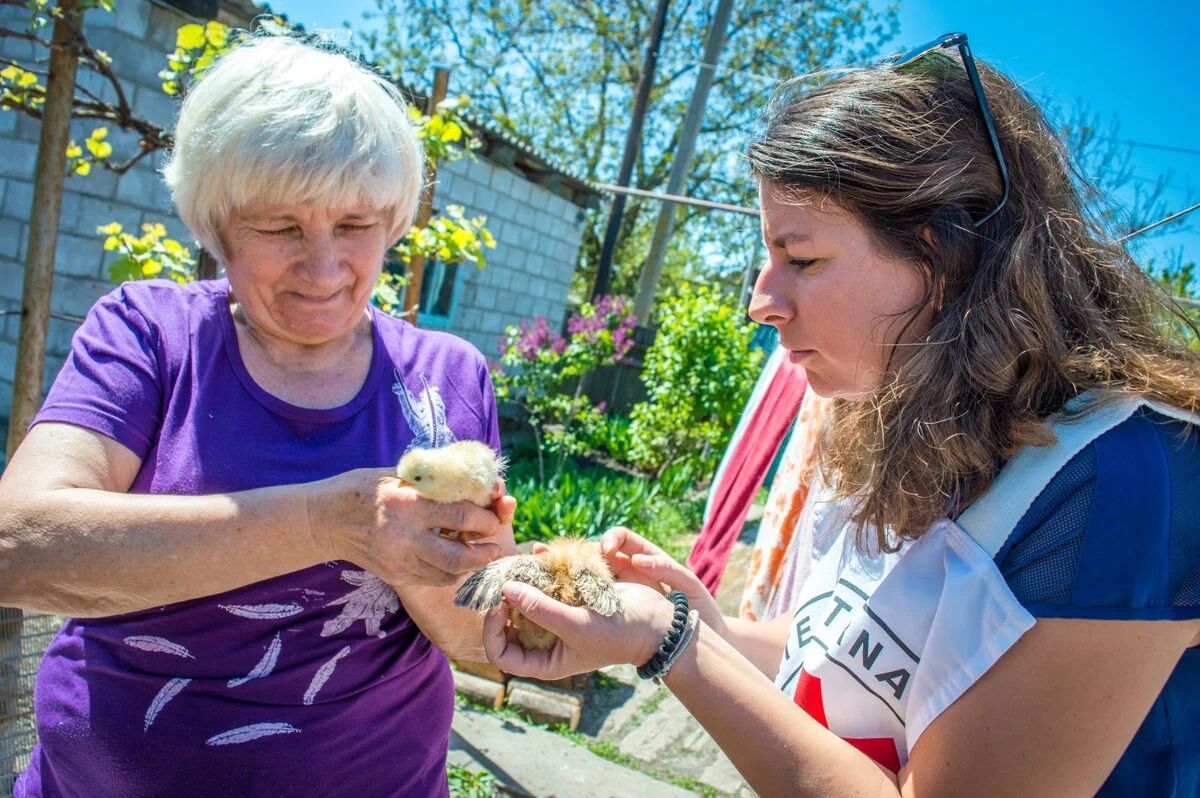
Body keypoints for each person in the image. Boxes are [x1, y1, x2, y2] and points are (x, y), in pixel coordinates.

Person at [481, 34, 1200, 797]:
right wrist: (700, 622)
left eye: (802, 259)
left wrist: (672, 643)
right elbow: (841, 658)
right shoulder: (890, 413)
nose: (761, 301)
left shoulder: (1129, 481)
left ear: (939, 257)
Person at [0, 35, 514, 797]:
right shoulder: (152, 334)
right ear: (217, 224)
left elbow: (472, 637)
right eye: (279, 226)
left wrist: (450, 568)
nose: (324, 267)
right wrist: (329, 524)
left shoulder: (448, 377)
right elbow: (17, 548)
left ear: (394, 222)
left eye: (355, 224)